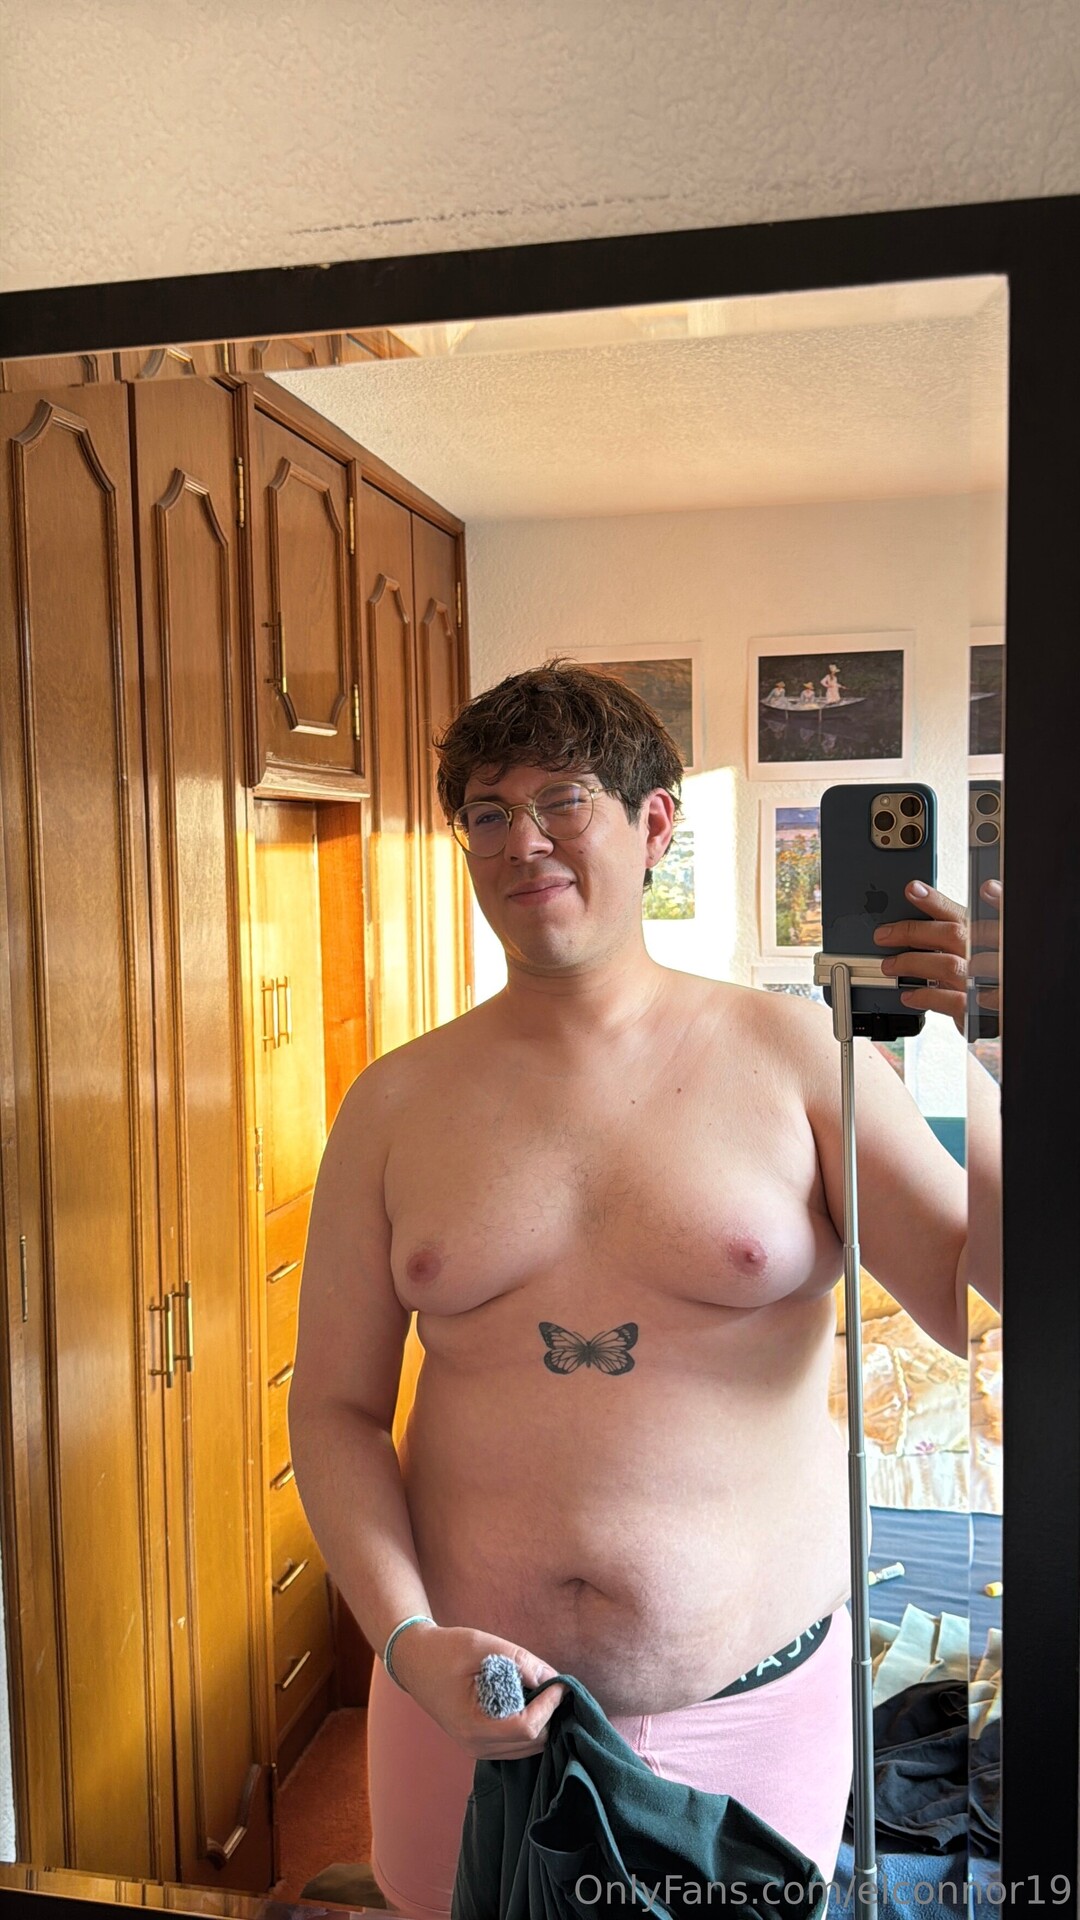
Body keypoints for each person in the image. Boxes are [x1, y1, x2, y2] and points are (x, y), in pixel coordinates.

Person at [290, 660, 997, 1916]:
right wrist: (405, 1642)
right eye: (489, 813)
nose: (524, 842)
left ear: (655, 823)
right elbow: (335, 1407)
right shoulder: (392, 1104)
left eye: (563, 801)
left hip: (749, 1708)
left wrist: (1002, 1049)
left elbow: (974, 1300)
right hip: (463, 1704)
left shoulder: (800, 1054)